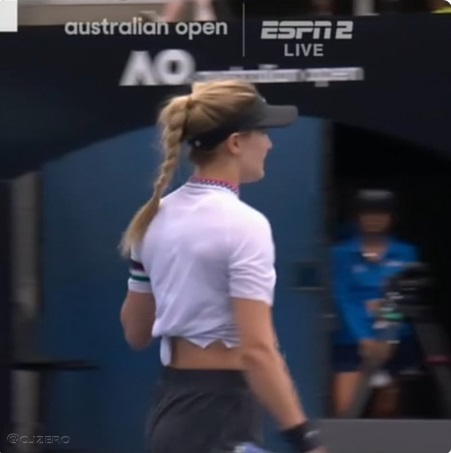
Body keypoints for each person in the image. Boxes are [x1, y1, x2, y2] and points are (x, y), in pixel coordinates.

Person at [119, 80, 326, 453]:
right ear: (235, 143)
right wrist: (306, 439)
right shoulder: (246, 225)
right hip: (221, 416)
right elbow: (257, 350)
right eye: (262, 132)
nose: (270, 143)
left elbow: (136, 332)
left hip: (170, 412)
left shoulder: (149, 219)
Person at [331, 190, 420, 417]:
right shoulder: (340, 254)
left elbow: (404, 296)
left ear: (391, 218)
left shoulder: (406, 253)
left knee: (386, 410)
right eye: (367, 214)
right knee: (346, 408)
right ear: (357, 217)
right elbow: (343, 297)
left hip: (396, 339)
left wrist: (388, 338)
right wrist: (365, 338)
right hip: (352, 339)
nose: (374, 220)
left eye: (381, 214)